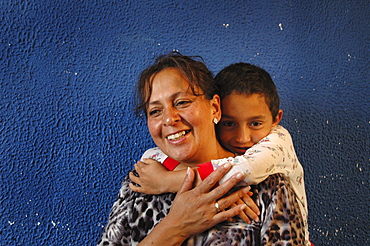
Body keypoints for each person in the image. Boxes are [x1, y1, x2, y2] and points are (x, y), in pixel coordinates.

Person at [98, 53, 306, 245]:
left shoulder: (266, 186)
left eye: (182, 102)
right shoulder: (142, 182)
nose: (169, 118)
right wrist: (175, 226)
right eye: (155, 111)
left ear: (214, 107)